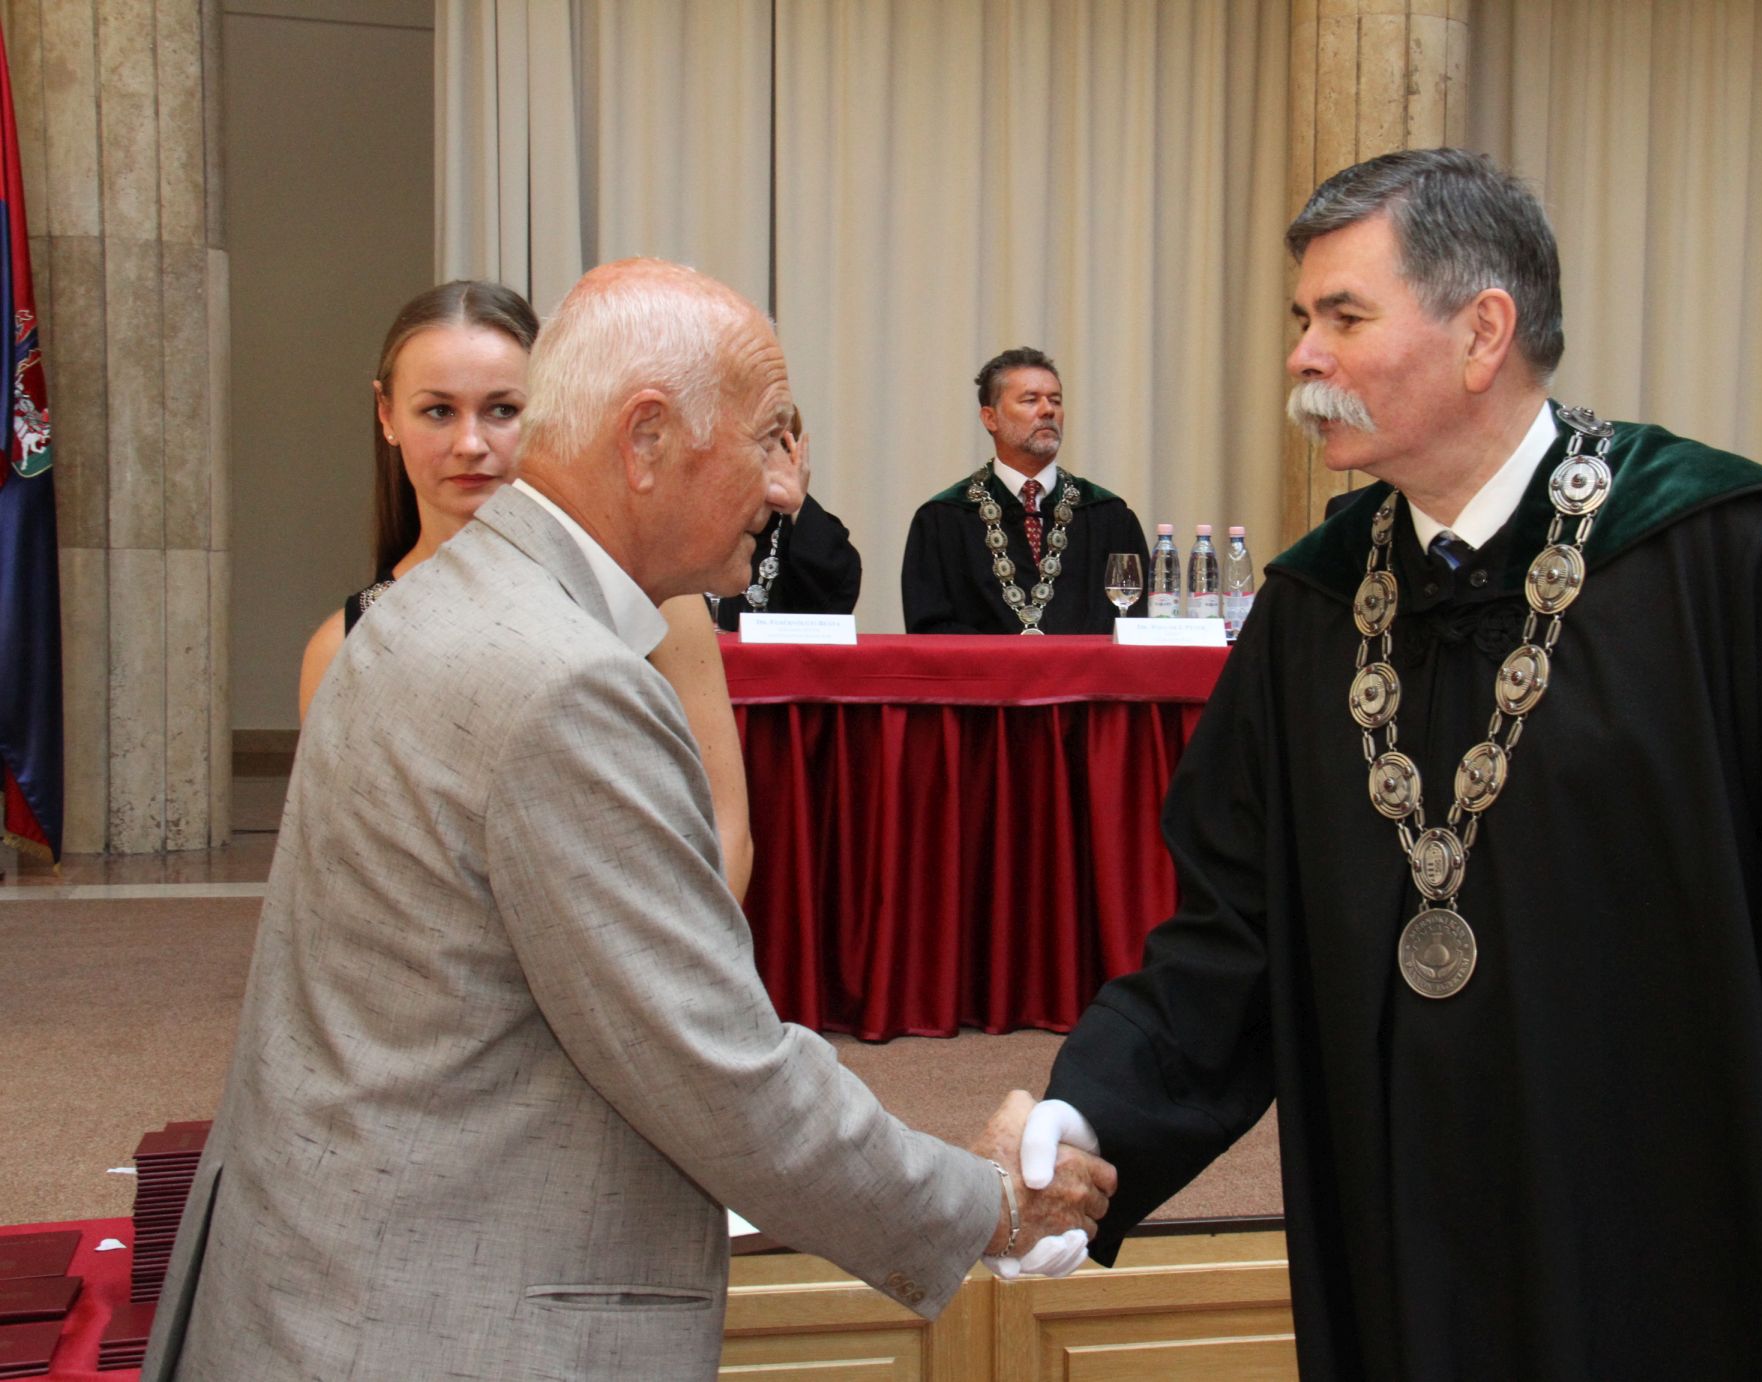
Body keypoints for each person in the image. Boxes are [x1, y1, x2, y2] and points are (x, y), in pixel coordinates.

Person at [1009, 150, 1762, 1378]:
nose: (1301, 356)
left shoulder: (1728, 556)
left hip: (1684, 1246)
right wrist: (1090, 1115)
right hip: (1413, 1241)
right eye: (1301, 320)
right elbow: (1231, 934)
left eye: (1342, 317)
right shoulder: (1313, 609)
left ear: (1482, 332)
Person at [141, 260, 1116, 1382]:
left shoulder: (442, 602)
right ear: (646, 438)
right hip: (438, 1317)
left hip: (336, 1264)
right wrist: (988, 1202)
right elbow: (717, 1074)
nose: (785, 489)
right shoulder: (565, 682)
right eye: (766, 439)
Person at [297, 280, 757, 898]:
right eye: (438, 411)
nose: (470, 444)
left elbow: (724, 825)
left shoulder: (659, 601)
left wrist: (673, 950)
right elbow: (357, 876)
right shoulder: (345, 646)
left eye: (502, 410)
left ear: (548, 412)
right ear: (387, 415)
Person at [901, 347, 1150, 634]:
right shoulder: (943, 519)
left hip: (1087, 665)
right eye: (1030, 400)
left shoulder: (1108, 516)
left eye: (1055, 400)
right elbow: (930, 630)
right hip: (985, 666)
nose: (1048, 410)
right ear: (990, 418)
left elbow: (1136, 622)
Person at [712, 405, 864, 631]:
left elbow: (835, 597)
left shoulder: (802, 529)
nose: (768, 459)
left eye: (781, 446)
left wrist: (798, 503)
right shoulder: (685, 518)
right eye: (758, 443)